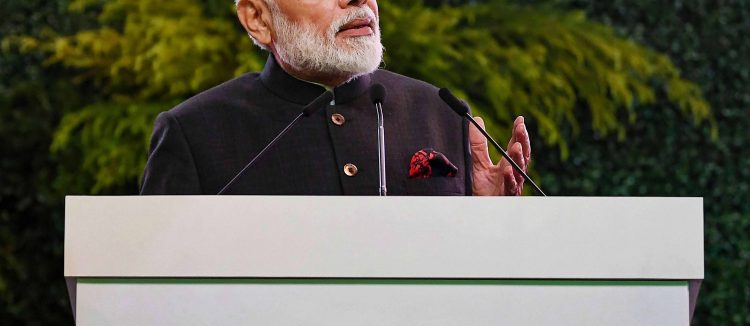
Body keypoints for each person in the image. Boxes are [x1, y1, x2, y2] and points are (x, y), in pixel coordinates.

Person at [140, 0, 531, 196]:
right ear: (258, 18)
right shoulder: (195, 133)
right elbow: (155, 294)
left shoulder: (440, 112)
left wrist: (490, 230)